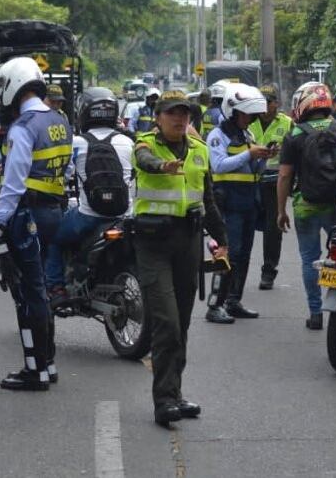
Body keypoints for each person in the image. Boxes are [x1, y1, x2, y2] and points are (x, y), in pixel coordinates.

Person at [133, 89, 230, 427]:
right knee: (167, 323)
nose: (179, 118)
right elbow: (145, 161)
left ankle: (174, 393)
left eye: (184, 113)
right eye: (172, 113)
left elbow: (209, 199)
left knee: (183, 324)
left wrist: (222, 240)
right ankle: (163, 402)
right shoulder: (144, 142)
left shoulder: (200, 150)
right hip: (152, 242)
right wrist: (162, 165)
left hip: (188, 240)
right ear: (158, 117)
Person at [0, 57, 72, 391]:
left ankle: (35, 370)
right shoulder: (59, 121)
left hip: (27, 216)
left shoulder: (23, 127)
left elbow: (14, 184)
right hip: (54, 214)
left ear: (12, 87)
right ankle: (46, 364)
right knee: (42, 289)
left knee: (28, 293)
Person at [276, 83, 336, 330]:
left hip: (306, 207)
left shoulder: (295, 135)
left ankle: (315, 313)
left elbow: (284, 177)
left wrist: (281, 211)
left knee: (310, 259)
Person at [44, 87, 134, 302]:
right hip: (125, 216)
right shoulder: (128, 142)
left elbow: (63, 173)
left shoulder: (76, 143)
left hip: (89, 215)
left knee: (54, 241)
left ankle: (56, 288)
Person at [205, 83, 272, 323]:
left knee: (243, 255)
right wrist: (249, 154)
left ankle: (233, 301)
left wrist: (263, 158)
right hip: (227, 203)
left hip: (248, 203)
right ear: (233, 112)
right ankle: (215, 305)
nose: (249, 119)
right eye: (246, 114)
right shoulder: (217, 135)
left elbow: (254, 170)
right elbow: (218, 165)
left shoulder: (248, 136)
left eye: (252, 115)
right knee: (227, 255)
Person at [248, 85, 292, 290]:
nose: (264, 106)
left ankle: (268, 271)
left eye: (268, 102)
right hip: (249, 180)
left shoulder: (287, 123)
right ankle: (235, 273)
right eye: (261, 102)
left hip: (275, 181)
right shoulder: (248, 121)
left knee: (272, 229)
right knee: (243, 226)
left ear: (276, 103)